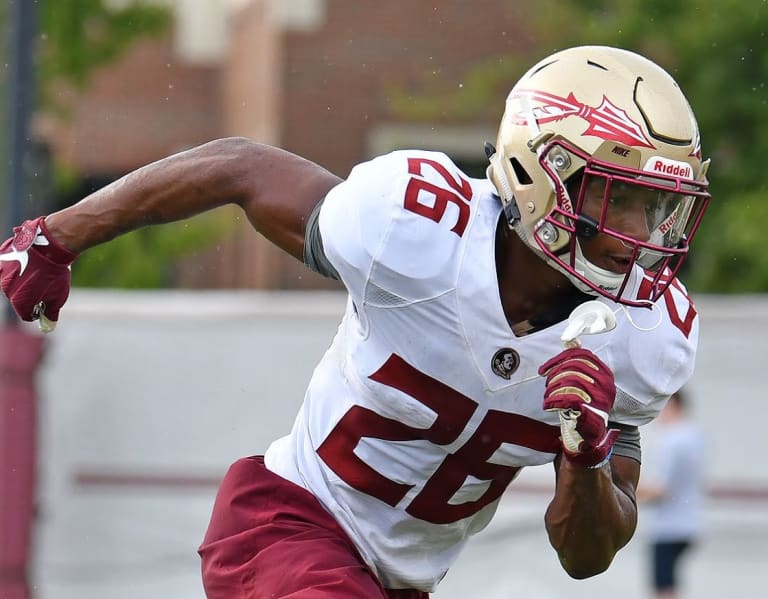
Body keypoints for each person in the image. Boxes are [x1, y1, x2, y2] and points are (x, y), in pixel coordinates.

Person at [0, 45, 711, 598]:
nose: (638, 234)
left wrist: (585, 463)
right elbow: (240, 169)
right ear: (542, 172)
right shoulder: (413, 230)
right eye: (621, 198)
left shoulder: (639, 339)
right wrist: (59, 235)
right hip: (285, 523)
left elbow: (586, 556)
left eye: (656, 208)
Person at [638, 390, 706, 599]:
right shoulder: (695, 436)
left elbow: (661, 489)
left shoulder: (672, 440)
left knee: (664, 586)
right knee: (669, 582)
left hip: (668, 527)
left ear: (672, 406)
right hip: (689, 522)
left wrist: (626, 494)